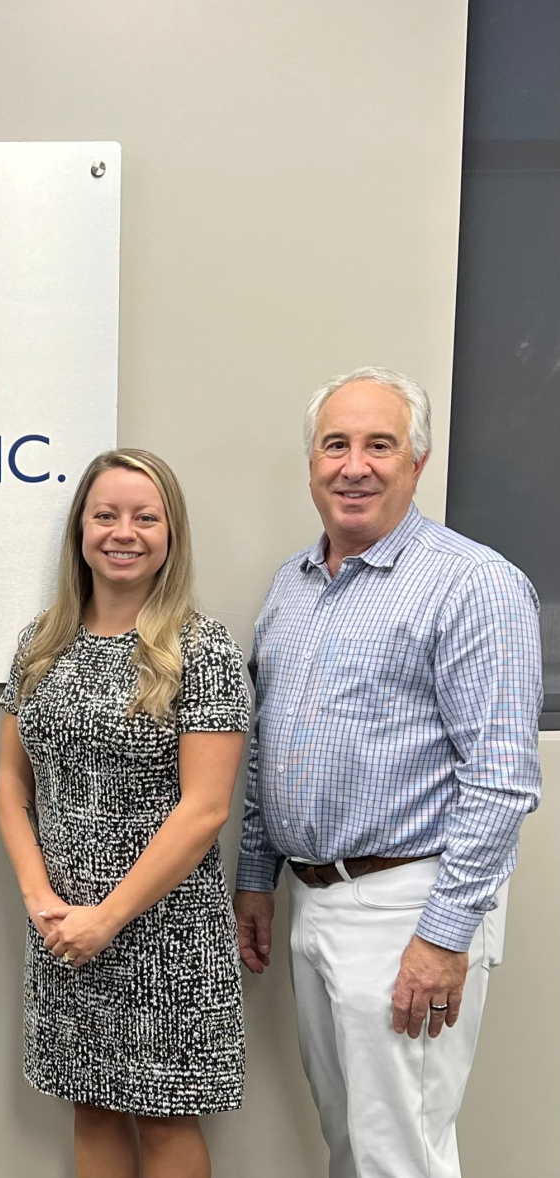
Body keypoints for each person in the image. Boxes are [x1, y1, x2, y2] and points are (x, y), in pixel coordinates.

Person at [233, 367, 543, 1178]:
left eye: (380, 445)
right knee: (353, 1143)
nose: (354, 465)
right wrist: (257, 877)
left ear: (418, 462)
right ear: (311, 464)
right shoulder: (292, 588)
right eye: (336, 444)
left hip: (412, 904)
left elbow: (503, 777)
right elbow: (269, 745)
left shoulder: (473, 584)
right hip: (314, 899)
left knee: (398, 1153)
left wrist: (442, 937)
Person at [0, 448, 251, 1178]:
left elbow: (205, 810)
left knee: (167, 1115)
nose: (123, 532)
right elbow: (12, 787)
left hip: (163, 930)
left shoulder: (200, 651)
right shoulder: (42, 643)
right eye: (105, 514)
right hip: (61, 930)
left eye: (145, 517)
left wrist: (107, 916)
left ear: (172, 534)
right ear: (80, 528)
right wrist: (42, 900)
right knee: (92, 1105)